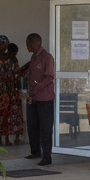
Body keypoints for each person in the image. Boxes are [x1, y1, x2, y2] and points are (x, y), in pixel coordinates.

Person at [20, 33, 56, 166]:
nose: (27, 46)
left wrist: (34, 90)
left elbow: (49, 77)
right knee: (32, 126)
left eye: (28, 44)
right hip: (33, 98)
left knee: (45, 128)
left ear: (35, 43)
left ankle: (47, 157)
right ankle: (35, 152)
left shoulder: (47, 57)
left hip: (44, 98)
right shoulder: (33, 57)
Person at [0, 35, 23, 147]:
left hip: (10, 91)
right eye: (2, 43)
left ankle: (7, 139)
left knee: (8, 115)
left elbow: (17, 75)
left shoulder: (12, 59)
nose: (4, 46)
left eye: (6, 44)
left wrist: (17, 89)